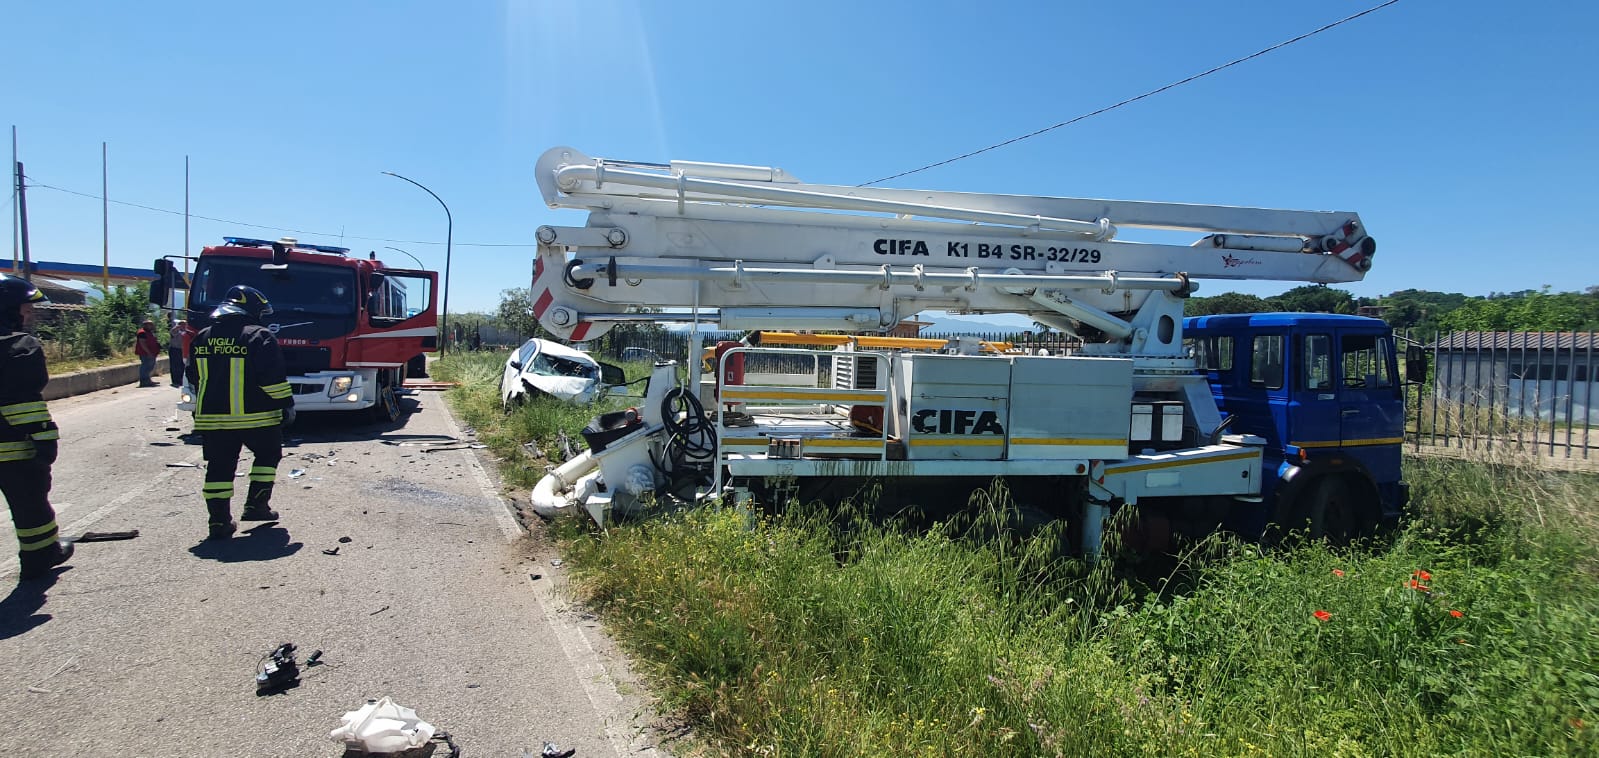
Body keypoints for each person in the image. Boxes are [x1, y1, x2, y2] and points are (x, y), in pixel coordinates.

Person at [185, 286, 294, 540]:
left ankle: (218, 522)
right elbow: (273, 379)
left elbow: (193, 376)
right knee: (267, 456)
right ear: (252, 310)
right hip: (257, 417)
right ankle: (256, 506)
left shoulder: (202, 336)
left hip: (212, 417)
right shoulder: (259, 335)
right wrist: (286, 404)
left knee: (219, 468)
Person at [0, 274, 73, 580]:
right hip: (12, 447)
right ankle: (40, 558)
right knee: (31, 506)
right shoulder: (20, 347)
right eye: (25, 308)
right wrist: (44, 438)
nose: (29, 314)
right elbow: (24, 402)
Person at [134, 319, 161, 387]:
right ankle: (143, 382)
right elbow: (142, 343)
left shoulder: (149, 332)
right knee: (145, 367)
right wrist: (148, 352)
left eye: (152, 324)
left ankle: (148, 380)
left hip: (151, 352)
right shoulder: (142, 333)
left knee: (150, 367)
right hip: (145, 353)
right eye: (150, 324)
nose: (152, 326)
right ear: (146, 325)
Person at [168, 320, 188, 387]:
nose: (184, 326)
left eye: (185, 324)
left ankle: (181, 380)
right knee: (174, 366)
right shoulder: (175, 331)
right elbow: (172, 332)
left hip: (182, 350)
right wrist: (177, 327)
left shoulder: (186, 332)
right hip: (174, 349)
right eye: (182, 324)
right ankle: (175, 381)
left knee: (182, 366)